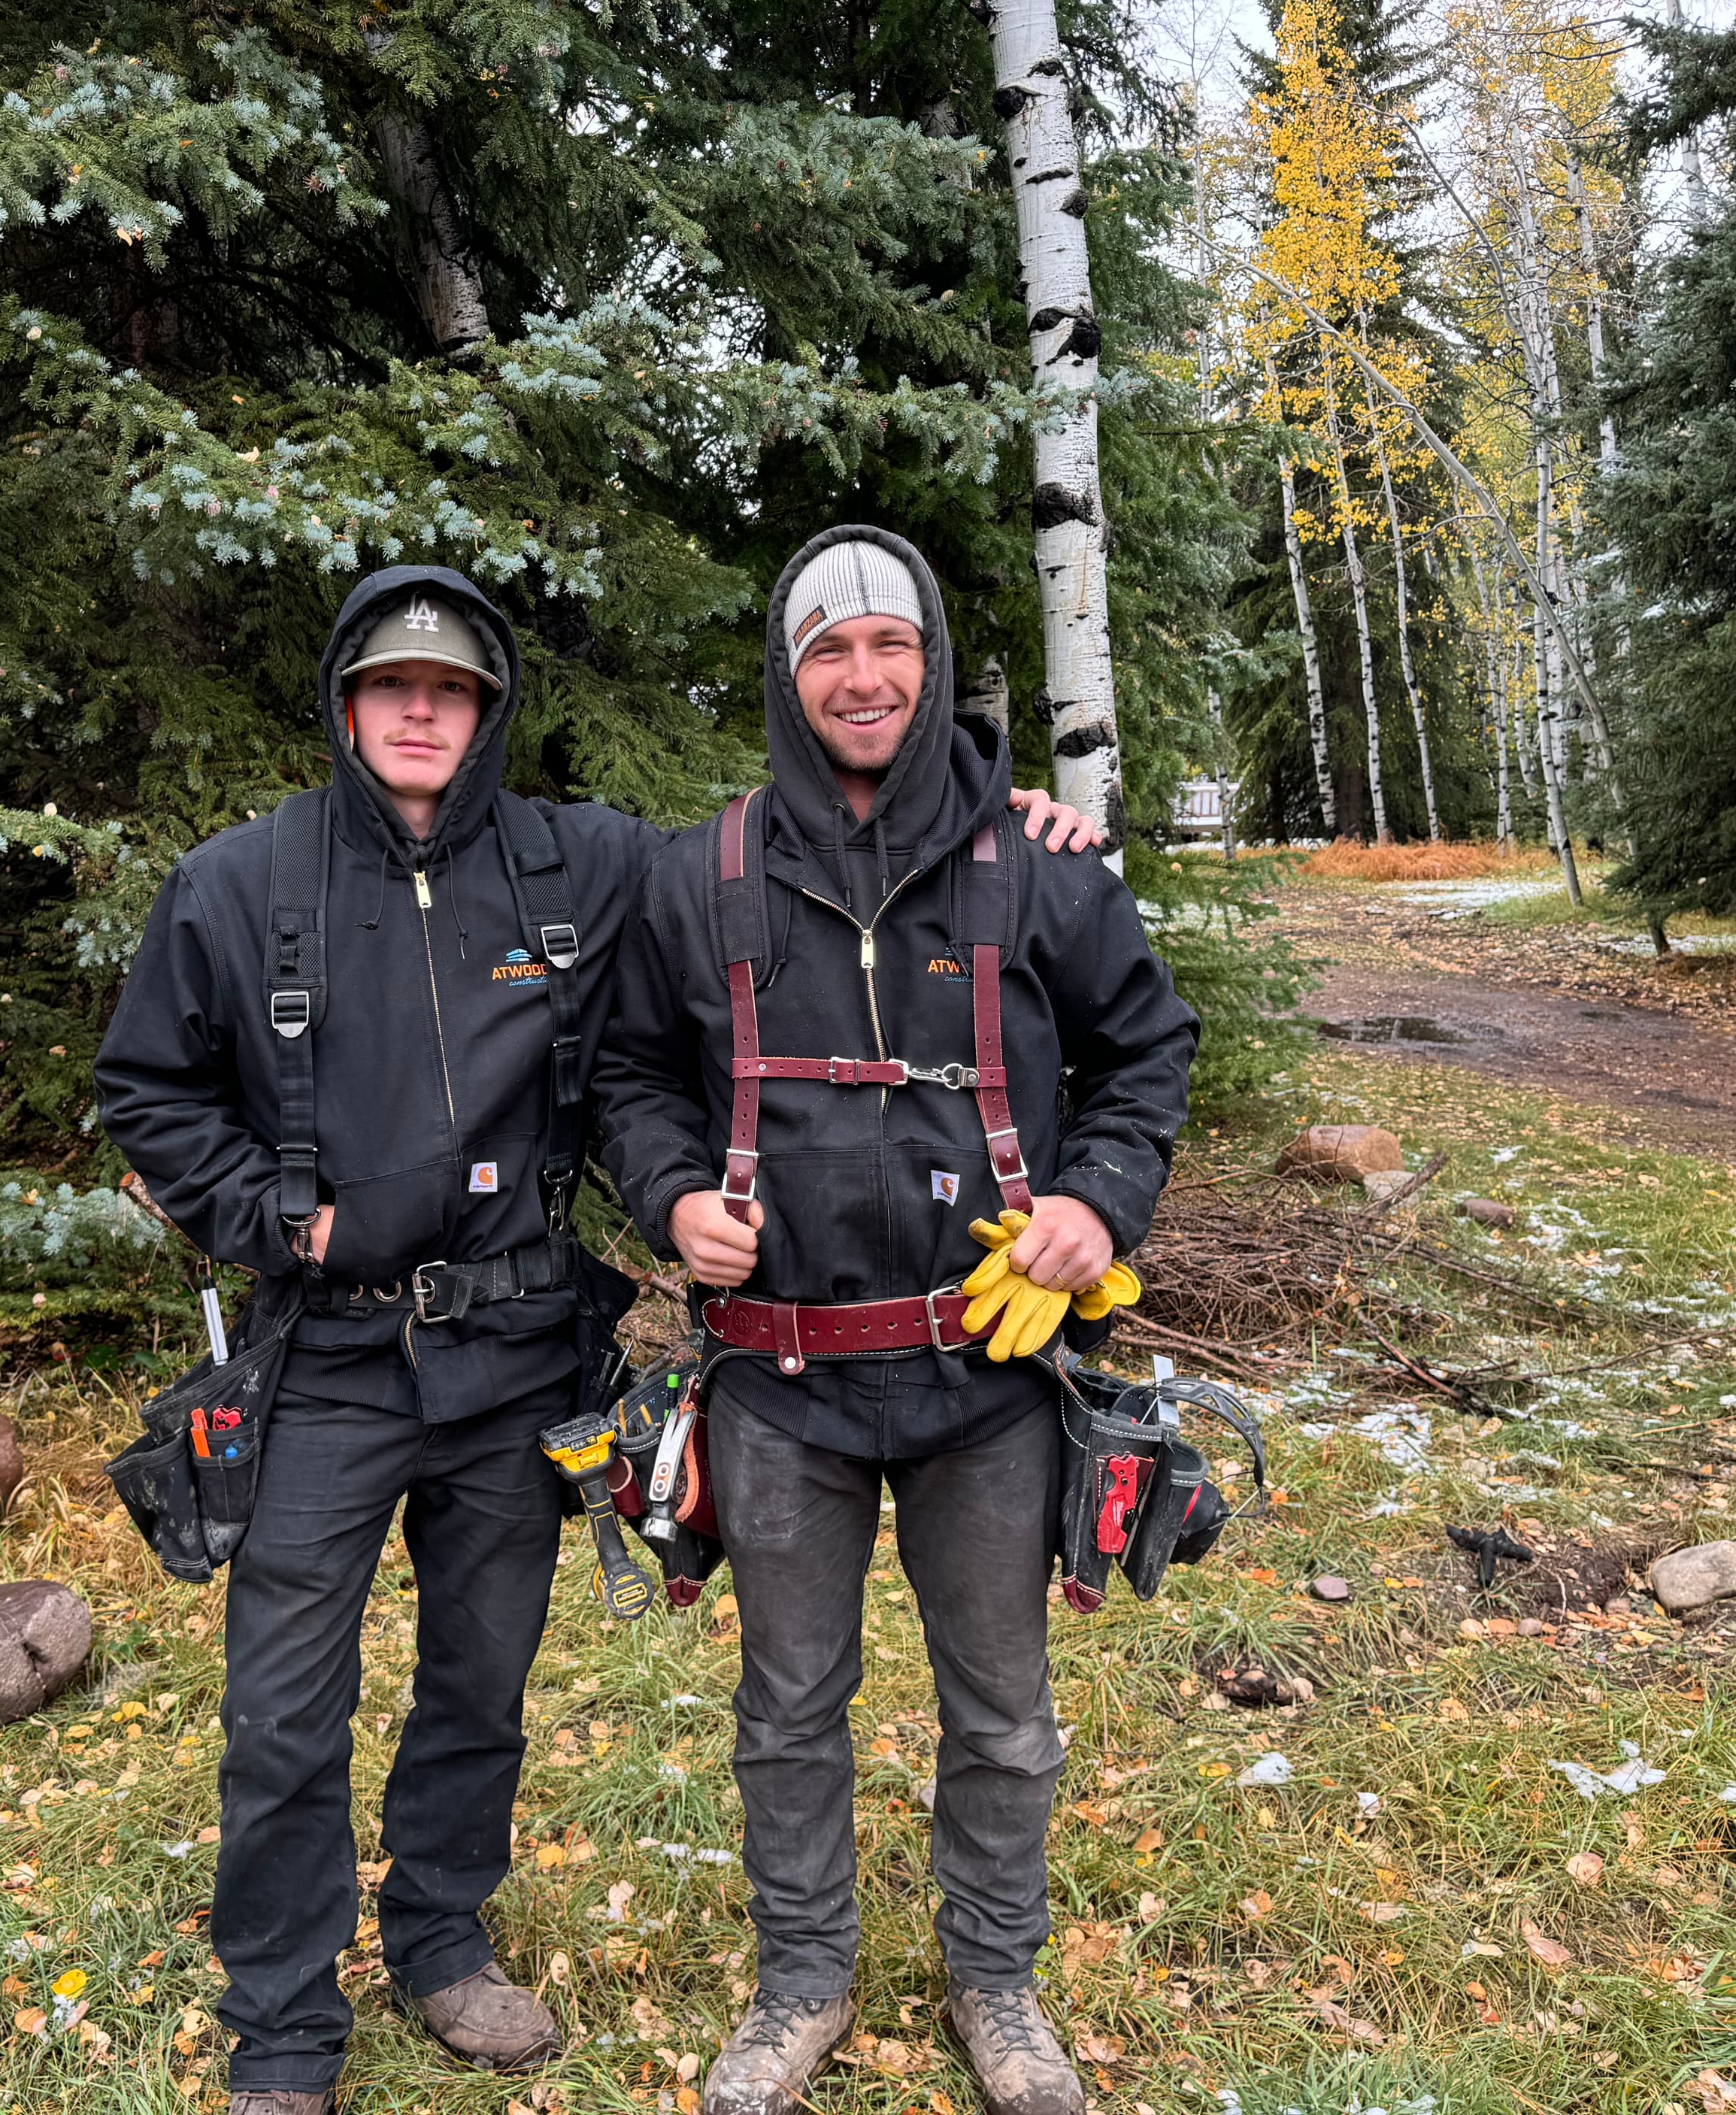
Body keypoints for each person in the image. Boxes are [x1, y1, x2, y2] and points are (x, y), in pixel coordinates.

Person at [94, 562, 1101, 2115]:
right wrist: (278, 1225)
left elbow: (816, 834)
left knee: (479, 1682)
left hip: (512, 1353)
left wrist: (1000, 812)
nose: (420, 712)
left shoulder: (590, 863)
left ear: (490, 713)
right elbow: (147, 1091)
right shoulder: (241, 882)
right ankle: (285, 2031)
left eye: (452, 690)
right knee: (285, 1707)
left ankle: (439, 1941)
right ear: (345, 705)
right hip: (329, 1365)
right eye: (390, 688)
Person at [598, 527, 1200, 2115]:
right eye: (827, 651)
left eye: (890, 646)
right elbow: (627, 1078)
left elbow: (1147, 1053)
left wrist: (1099, 1202)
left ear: (931, 660)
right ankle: (802, 1979)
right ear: (789, 678)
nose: (861, 678)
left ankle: (997, 1983)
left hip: (989, 1373)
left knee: (1000, 1713)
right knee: (788, 1709)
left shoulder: (1037, 863)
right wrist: (669, 1198)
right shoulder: (705, 873)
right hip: (778, 1383)